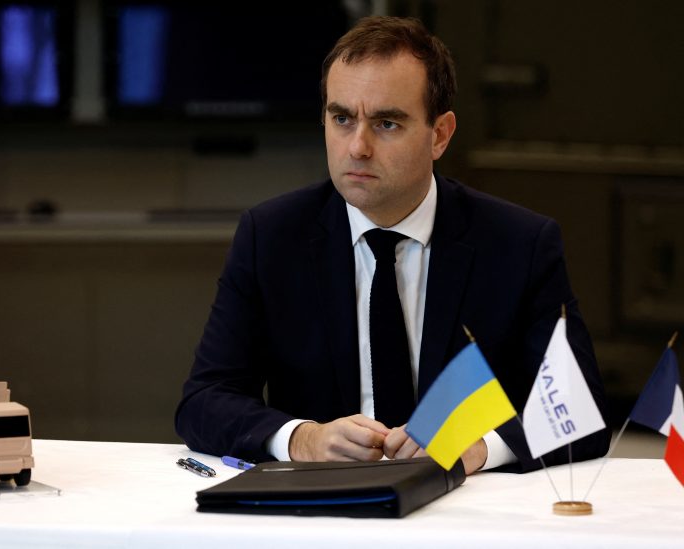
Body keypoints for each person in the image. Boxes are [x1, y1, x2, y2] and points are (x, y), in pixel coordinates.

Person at [174, 15, 610, 474]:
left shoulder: (518, 243)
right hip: (321, 514)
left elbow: (583, 414)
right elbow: (204, 402)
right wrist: (303, 438)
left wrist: (477, 448)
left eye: (386, 124)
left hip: (467, 516)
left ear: (440, 134)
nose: (357, 147)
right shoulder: (272, 236)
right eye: (341, 118)